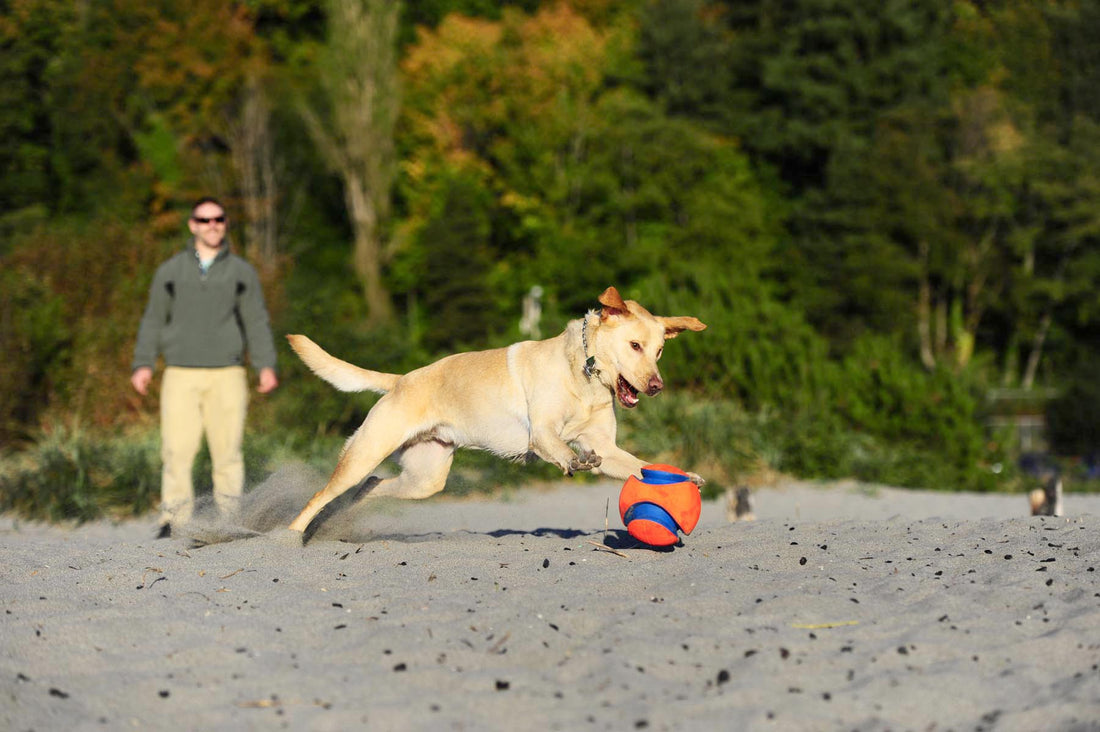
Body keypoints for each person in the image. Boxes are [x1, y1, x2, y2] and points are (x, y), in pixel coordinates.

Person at [131, 196, 278, 537]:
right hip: (180, 373)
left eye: (219, 219)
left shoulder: (242, 272)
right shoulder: (170, 271)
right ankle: (173, 520)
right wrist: (143, 364)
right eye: (204, 220)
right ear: (192, 225)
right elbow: (153, 320)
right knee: (176, 452)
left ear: (225, 224)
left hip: (228, 373)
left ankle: (229, 518)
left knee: (228, 452)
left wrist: (265, 365)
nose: (212, 226)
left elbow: (256, 320)